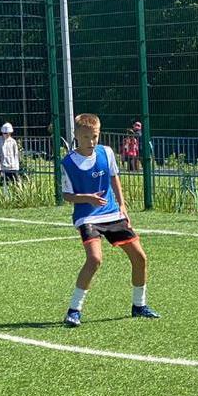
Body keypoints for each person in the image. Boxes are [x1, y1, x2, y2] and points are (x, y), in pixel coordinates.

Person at [61, 113, 160, 327]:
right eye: (86, 137)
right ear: (77, 135)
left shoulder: (106, 152)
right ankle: (74, 310)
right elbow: (67, 195)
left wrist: (122, 206)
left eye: (95, 136)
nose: (91, 141)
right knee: (95, 259)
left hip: (113, 213)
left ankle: (139, 306)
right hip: (87, 216)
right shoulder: (68, 162)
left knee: (140, 257)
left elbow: (114, 177)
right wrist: (86, 198)